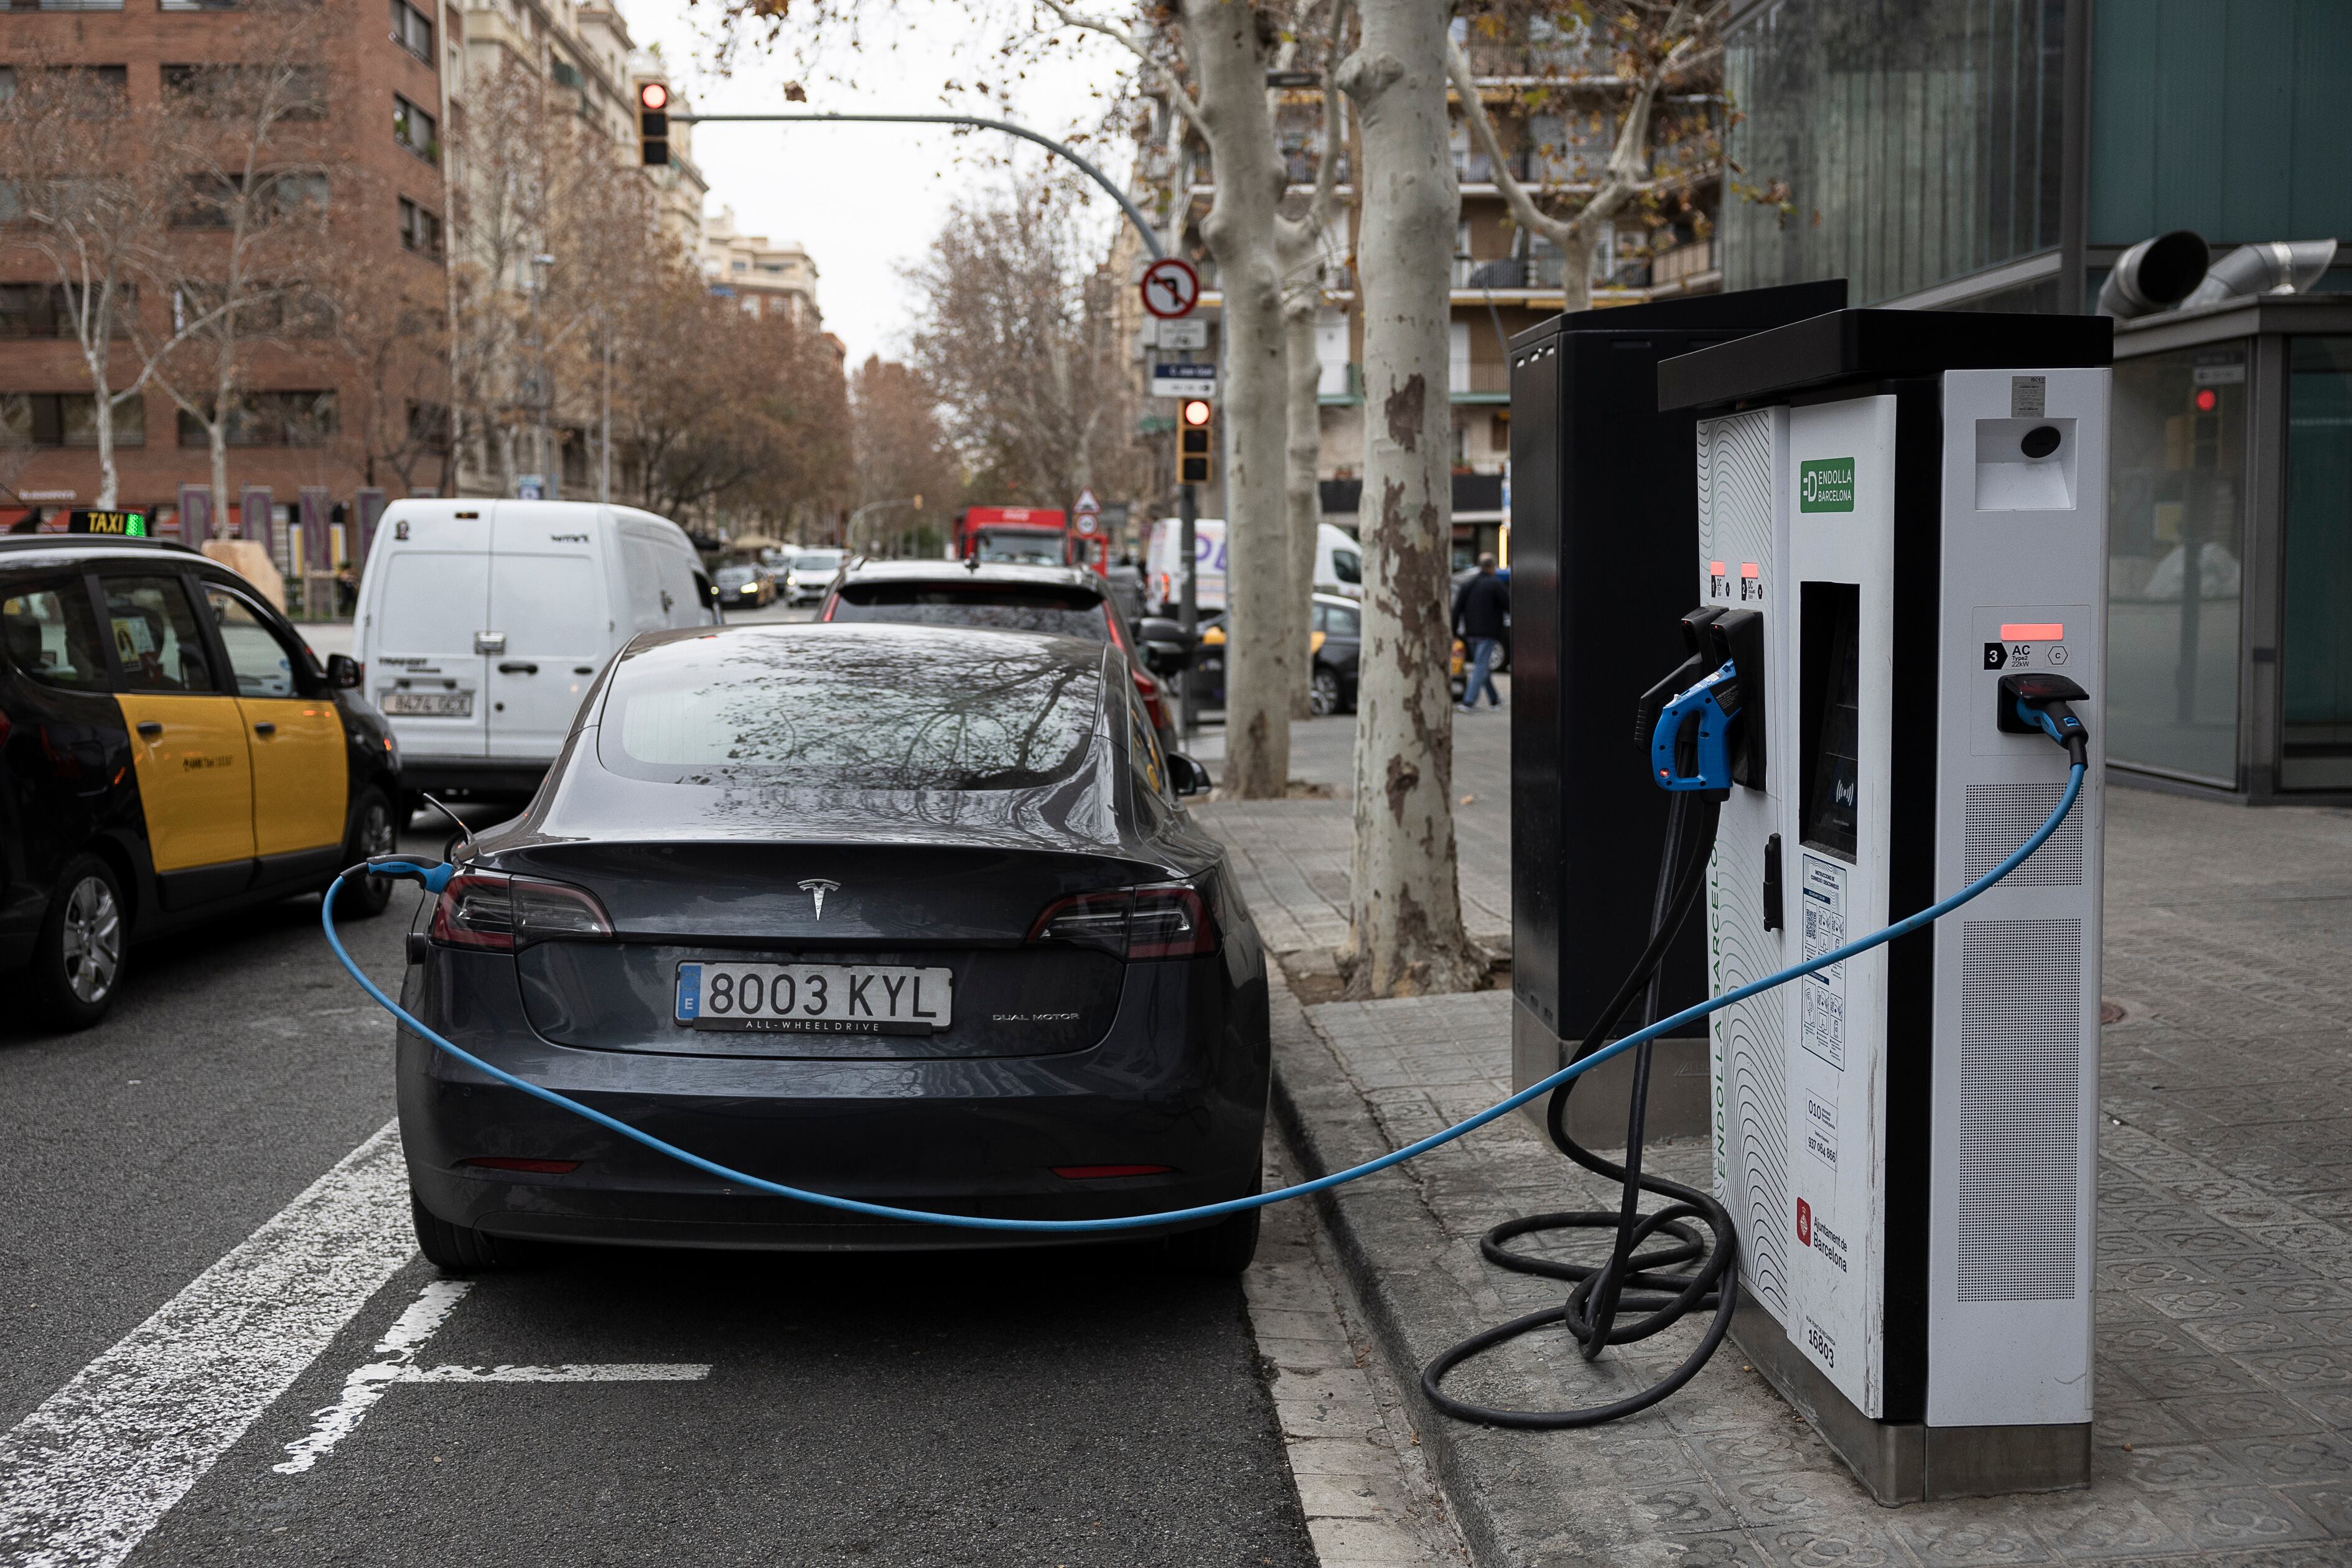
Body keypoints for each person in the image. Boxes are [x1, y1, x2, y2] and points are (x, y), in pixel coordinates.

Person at [1452, 552, 1509, 712]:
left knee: (1482, 665)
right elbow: (1509, 605)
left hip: (1471, 633)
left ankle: (1494, 699)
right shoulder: (1495, 584)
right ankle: (1469, 702)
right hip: (1489, 632)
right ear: (1492, 567)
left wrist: (1454, 631)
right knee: (1481, 666)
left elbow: (1457, 610)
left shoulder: (1468, 585)